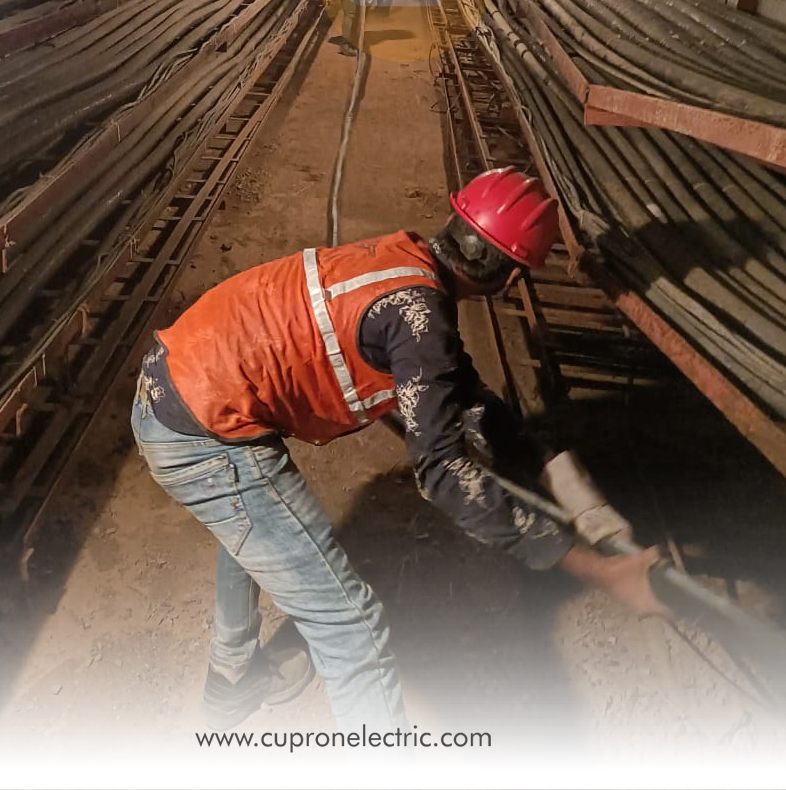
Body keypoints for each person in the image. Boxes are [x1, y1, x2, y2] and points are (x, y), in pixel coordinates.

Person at [131, 167, 666, 732]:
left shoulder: (404, 262)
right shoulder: (420, 320)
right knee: (352, 628)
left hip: (173, 381)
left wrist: (557, 473)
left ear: (457, 222)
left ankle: (232, 678)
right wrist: (597, 571)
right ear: (511, 278)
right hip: (203, 439)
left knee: (251, 523)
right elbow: (444, 475)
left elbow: (461, 394)